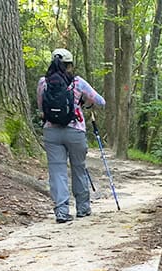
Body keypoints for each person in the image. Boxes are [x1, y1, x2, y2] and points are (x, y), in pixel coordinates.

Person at [36, 48, 106, 223]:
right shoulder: (78, 82)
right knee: (78, 168)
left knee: (57, 171)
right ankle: (82, 208)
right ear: (70, 65)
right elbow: (100, 101)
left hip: (51, 132)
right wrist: (85, 102)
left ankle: (61, 211)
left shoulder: (43, 83)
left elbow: (41, 108)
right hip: (75, 131)